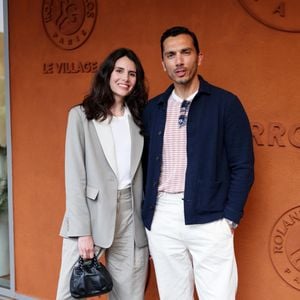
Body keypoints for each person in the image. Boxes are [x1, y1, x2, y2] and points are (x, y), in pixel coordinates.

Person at [142, 26, 254, 300]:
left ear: (199, 57)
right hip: (162, 217)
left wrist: (229, 218)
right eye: (171, 55)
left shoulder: (225, 104)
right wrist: (150, 215)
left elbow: (243, 165)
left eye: (185, 52)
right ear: (163, 63)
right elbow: (144, 163)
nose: (178, 61)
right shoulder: (153, 109)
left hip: (211, 218)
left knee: (218, 295)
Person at [56, 48, 149, 300]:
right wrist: (82, 231)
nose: (125, 78)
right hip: (91, 212)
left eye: (132, 74)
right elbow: (74, 178)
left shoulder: (140, 118)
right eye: (119, 71)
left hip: (131, 214)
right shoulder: (80, 116)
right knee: (69, 294)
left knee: (129, 293)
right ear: (107, 74)